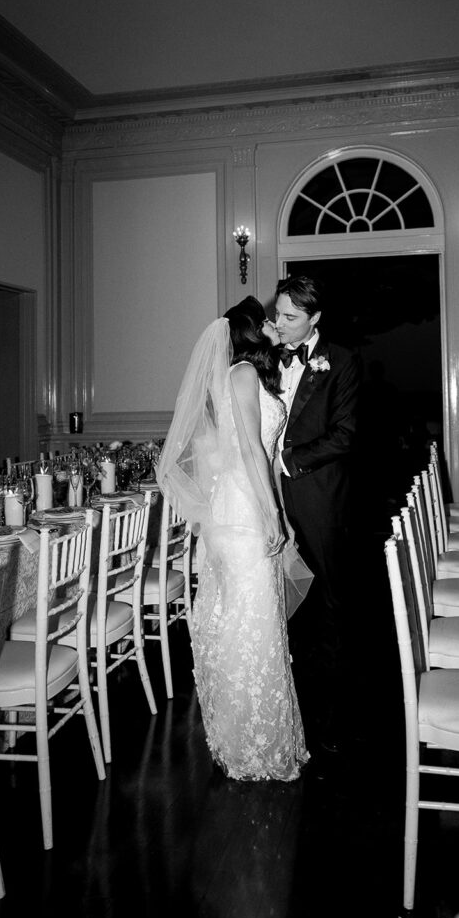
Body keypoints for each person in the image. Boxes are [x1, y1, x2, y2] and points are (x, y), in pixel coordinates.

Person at [155, 297, 311, 781]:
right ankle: (253, 747)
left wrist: (274, 509)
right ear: (248, 332)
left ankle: (245, 737)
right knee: (251, 621)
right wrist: (272, 516)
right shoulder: (242, 374)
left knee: (244, 620)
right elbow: (248, 451)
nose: (271, 325)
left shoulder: (242, 374)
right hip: (243, 511)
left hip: (237, 506)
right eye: (264, 320)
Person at [274, 275, 360, 754]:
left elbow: (345, 434)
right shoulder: (268, 353)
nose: (280, 324)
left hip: (318, 494)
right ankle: (287, 673)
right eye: (278, 313)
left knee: (326, 587)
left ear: (315, 320)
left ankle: (332, 696)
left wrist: (287, 461)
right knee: (279, 581)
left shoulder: (342, 361)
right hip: (266, 493)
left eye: (291, 317)